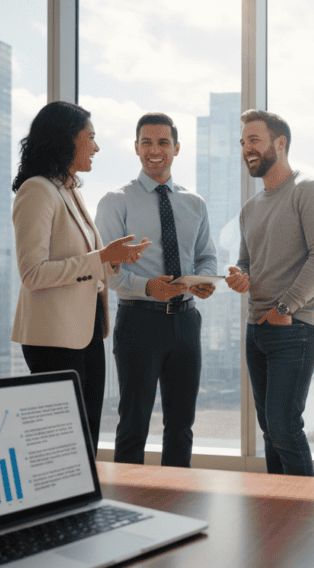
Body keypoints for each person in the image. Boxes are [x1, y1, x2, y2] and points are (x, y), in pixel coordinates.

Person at [11, 101, 151, 456]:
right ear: (66, 139)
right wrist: (100, 258)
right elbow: (32, 273)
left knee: (85, 435)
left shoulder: (68, 190)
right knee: (61, 443)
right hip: (53, 340)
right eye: (90, 137)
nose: (97, 147)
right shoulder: (37, 191)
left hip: (85, 333)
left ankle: (84, 508)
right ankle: (60, 508)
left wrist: (114, 260)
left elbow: (88, 264)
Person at [95, 113, 218, 466]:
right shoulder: (115, 201)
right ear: (135, 148)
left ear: (176, 148)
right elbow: (106, 271)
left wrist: (204, 280)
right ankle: (131, 512)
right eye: (146, 142)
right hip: (138, 323)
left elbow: (206, 256)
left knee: (181, 426)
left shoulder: (195, 203)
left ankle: (176, 507)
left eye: (163, 142)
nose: (155, 150)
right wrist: (148, 287)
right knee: (133, 425)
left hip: (186, 322)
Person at [225, 109, 314, 476]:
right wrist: (240, 276)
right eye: (243, 143)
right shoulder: (249, 209)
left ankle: (304, 517)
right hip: (256, 328)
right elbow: (246, 262)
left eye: (254, 140)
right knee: (270, 430)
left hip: (295, 326)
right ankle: (278, 512)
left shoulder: (310, 190)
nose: (246, 149)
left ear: (280, 142)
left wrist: (284, 307)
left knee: (284, 427)